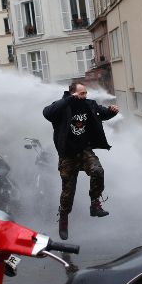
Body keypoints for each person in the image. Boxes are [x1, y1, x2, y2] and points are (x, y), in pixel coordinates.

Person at [43, 82, 119, 240]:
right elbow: (47, 113)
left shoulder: (89, 104)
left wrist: (112, 112)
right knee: (68, 193)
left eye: (85, 93)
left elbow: (103, 113)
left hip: (84, 150)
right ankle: (63, 218)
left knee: (98, 170)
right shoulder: (61, 106)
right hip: (68, 155)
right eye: (82, 93)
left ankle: (95, 204)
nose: (85, 96)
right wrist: (69, 100)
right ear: (72, 93)